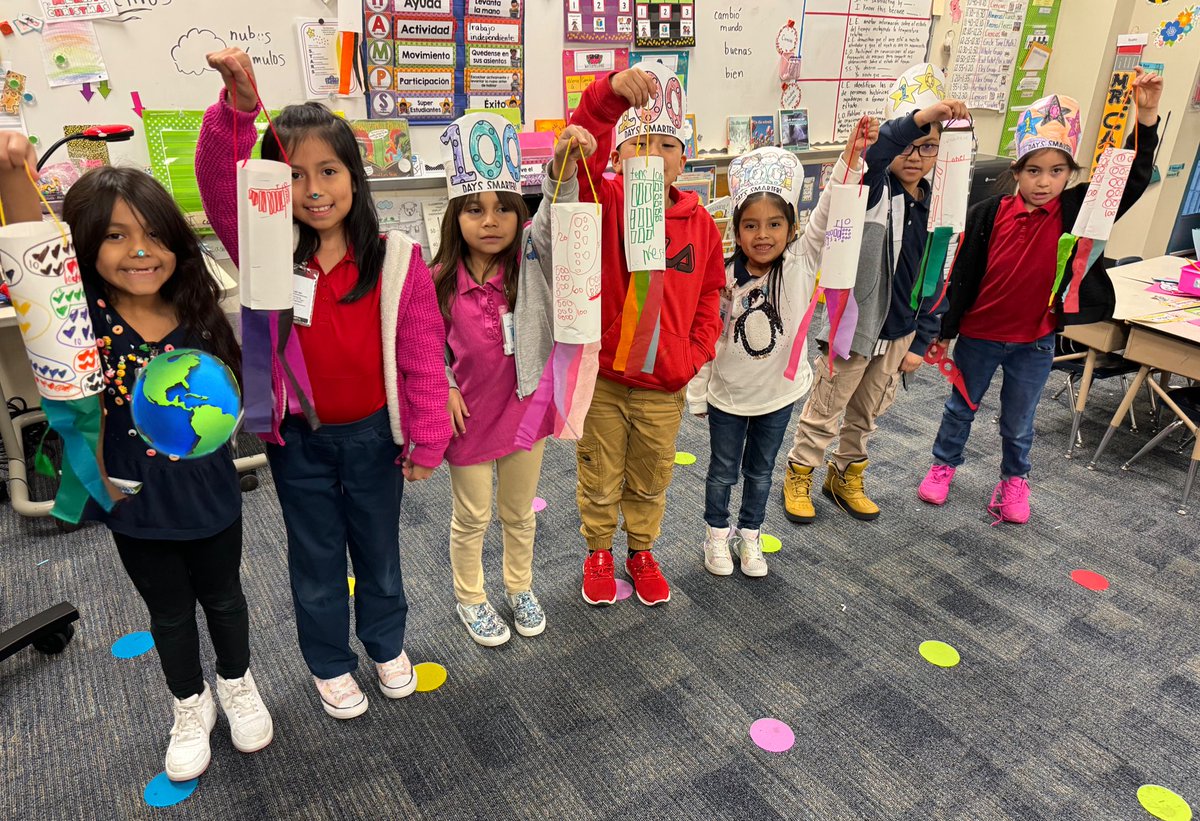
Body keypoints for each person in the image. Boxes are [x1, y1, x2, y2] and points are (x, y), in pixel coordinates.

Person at [0, 132, 273, 781]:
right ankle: (190, 702)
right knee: (169, 611)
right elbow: (34, 253)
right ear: (86, 245)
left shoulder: (198, 307)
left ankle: (237, 681)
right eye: (117, 235)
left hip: (209, 493)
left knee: (226, 598)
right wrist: (12, 172)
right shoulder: (84, 318)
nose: (141, 250)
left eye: (153, 233)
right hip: (133, 498)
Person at [196, 48, 450, 718]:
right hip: (300, 441)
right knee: (315, 558)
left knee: (379, 550)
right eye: (295, 173)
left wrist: (427, 437)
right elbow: (222, 184)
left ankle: (386, 643)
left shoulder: (398, 259)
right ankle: (329, 661)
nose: (313, 188)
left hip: (374, 439)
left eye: (329, 171)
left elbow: (423, 353)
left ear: (354, 177)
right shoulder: (267, 254)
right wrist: (238, 111)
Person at [919, 68, 1163, 523]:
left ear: (1070, 175)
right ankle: (943, 465)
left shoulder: (1078, 212)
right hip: (979, 335)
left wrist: (1145, 118)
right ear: (1017, 172)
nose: (1044, 181)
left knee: (1018, 420)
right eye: (1033, 171)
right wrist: (944, 332)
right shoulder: (989, 213)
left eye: (1056, 171)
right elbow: (963, 277)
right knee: (960, 408)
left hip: (1035, 340)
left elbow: (1132, 179)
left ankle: (1014, 480)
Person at [433, 114, 597, 646]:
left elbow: (554, 215)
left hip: (525, 408)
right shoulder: (438, 280)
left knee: (518, 512)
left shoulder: (531, 258)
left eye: (504, 206)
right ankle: (471, 596)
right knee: (473, 515)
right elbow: (424, 344)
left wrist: (561, 170)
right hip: (469, 418)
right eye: (475, 209)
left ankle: (519, 586)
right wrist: (445, 385)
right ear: (455, 216)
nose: (491, 220)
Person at [566, 63, 725, 606]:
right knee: (599, 470)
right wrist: (608, 96)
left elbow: (710, 294)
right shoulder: (604, 201)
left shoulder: (700, 223)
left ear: (685, 157)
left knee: (651, 474)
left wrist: (693, 353)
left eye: (666, 145)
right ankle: (599, 549)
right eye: (640, 144)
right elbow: (578, 153)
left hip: (665, 381)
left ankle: (640, 548)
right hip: (607, 377)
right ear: (618, 156)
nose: (653, 155)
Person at [781, 64, 969, 524]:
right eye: (909, 143)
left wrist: (922, 338)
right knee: (828, 406)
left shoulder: (937, 206)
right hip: (855, 326)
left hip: (899, 333)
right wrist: (922, 118)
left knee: (866, 414)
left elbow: (938, 277)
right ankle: (801, 470)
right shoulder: (872, 188)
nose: (914, 155)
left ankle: (844, 474)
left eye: (927, 147)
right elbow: (879, 151)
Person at [689, 129, 877, 577]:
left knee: (760, 473)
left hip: (778, 396)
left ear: (792, 228)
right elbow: (709, 336)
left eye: (775, 224)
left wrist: (850, 159)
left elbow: (831, 204)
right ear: (736, 229)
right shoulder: (725, 278)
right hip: (728, 398)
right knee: (722, 472)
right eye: (751, 225)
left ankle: (750, 536)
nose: (763, 234)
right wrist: (698, 393)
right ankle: (717, 534)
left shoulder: (801, 261)